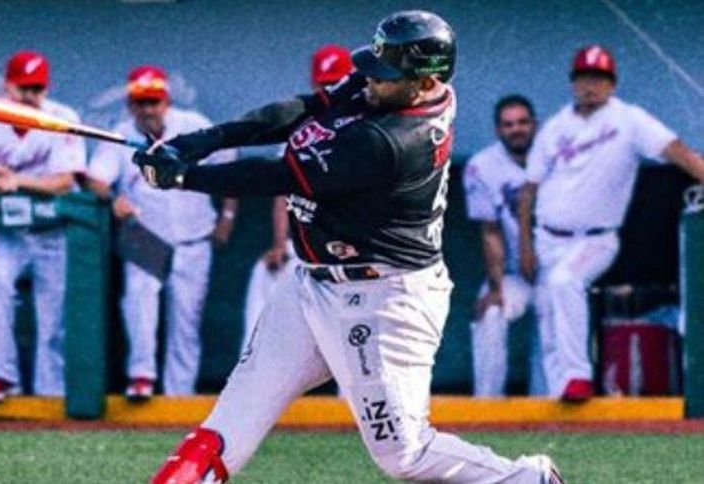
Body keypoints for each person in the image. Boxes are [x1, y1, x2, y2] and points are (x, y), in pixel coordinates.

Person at [135, 11, 563, 483]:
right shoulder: (393, 87)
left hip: (385, 299)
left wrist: (184, 177)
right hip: (310, 284)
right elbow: (304, 109)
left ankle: (528, 479)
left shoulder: (393, 141)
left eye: (386, 75)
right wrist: (197, 143)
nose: (370, 81)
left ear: (426, 82)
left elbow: (277, 176)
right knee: (231, 420)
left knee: (404, 455)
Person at [518, 45, 704, 401]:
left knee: (564, 281)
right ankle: (559, 400)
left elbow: (676, 150)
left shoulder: (629, 120)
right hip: (547, 237)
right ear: (573, 83)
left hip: (595, 238)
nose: (591, 85)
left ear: (612, 84)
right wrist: (525, 245)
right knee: (549, 316)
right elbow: (528, 191)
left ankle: (577, 377)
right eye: (584, 77)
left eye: (599, 78)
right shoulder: (555, 127)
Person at [87, 66, 238, 400]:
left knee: (186, 320)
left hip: (194, 237)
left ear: (166, 102)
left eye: (153, 102)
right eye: (141, 103)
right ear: (130, 105)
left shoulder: (192, 125)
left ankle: (179, 392)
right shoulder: (120, 135)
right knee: (138, 305)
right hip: (145, 236)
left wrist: (227, 216)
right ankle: (141, 377)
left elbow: (229, 166)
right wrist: (113, 199)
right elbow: (96, 178)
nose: (148, 110)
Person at [0, 50, 86, 403]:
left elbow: (65, 181)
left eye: (37, 88)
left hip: (52, 231)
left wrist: (18, 180)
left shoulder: (63, 118)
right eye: (23, 87)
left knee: (53, 318)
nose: (30, 95)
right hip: (5, 230)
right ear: (7, 86)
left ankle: (50, 393)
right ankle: (5, 375)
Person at [242, 44, 353, 349]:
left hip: (350, 249)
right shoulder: (302, 129)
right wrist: (279, 244)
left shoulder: (367, 125)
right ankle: (253, 366)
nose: (329, 90)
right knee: (265, 273)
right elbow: (283, 193)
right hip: (306, 244)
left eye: (336, 83)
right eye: (324, 84)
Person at [464, 95, 545, 397]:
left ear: (535, 124)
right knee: (490, 313)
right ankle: (487, 405)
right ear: (498, 130)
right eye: (508, 124)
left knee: (557, 331)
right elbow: (490, 231)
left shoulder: (557, 157)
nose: (516, 129)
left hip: (558, 268)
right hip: (515, 273)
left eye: (522, 122)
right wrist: (496, 288)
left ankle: (550, 405)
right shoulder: (482, 166)